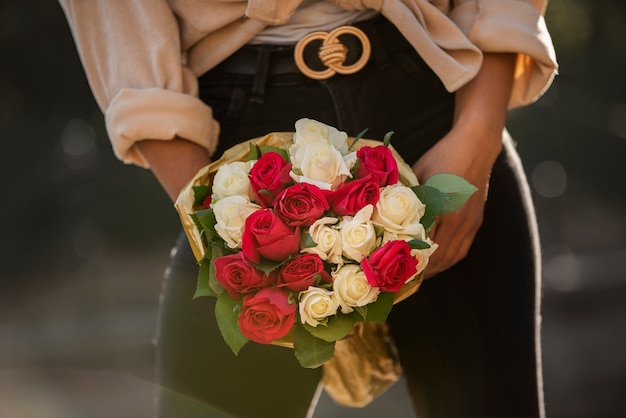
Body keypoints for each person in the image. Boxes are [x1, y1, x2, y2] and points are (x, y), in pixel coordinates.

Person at [59, 0, 558, 417]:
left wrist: (477, 135)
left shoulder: (466, 137)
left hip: (440, 111)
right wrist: (211, 209)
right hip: (241, 154)